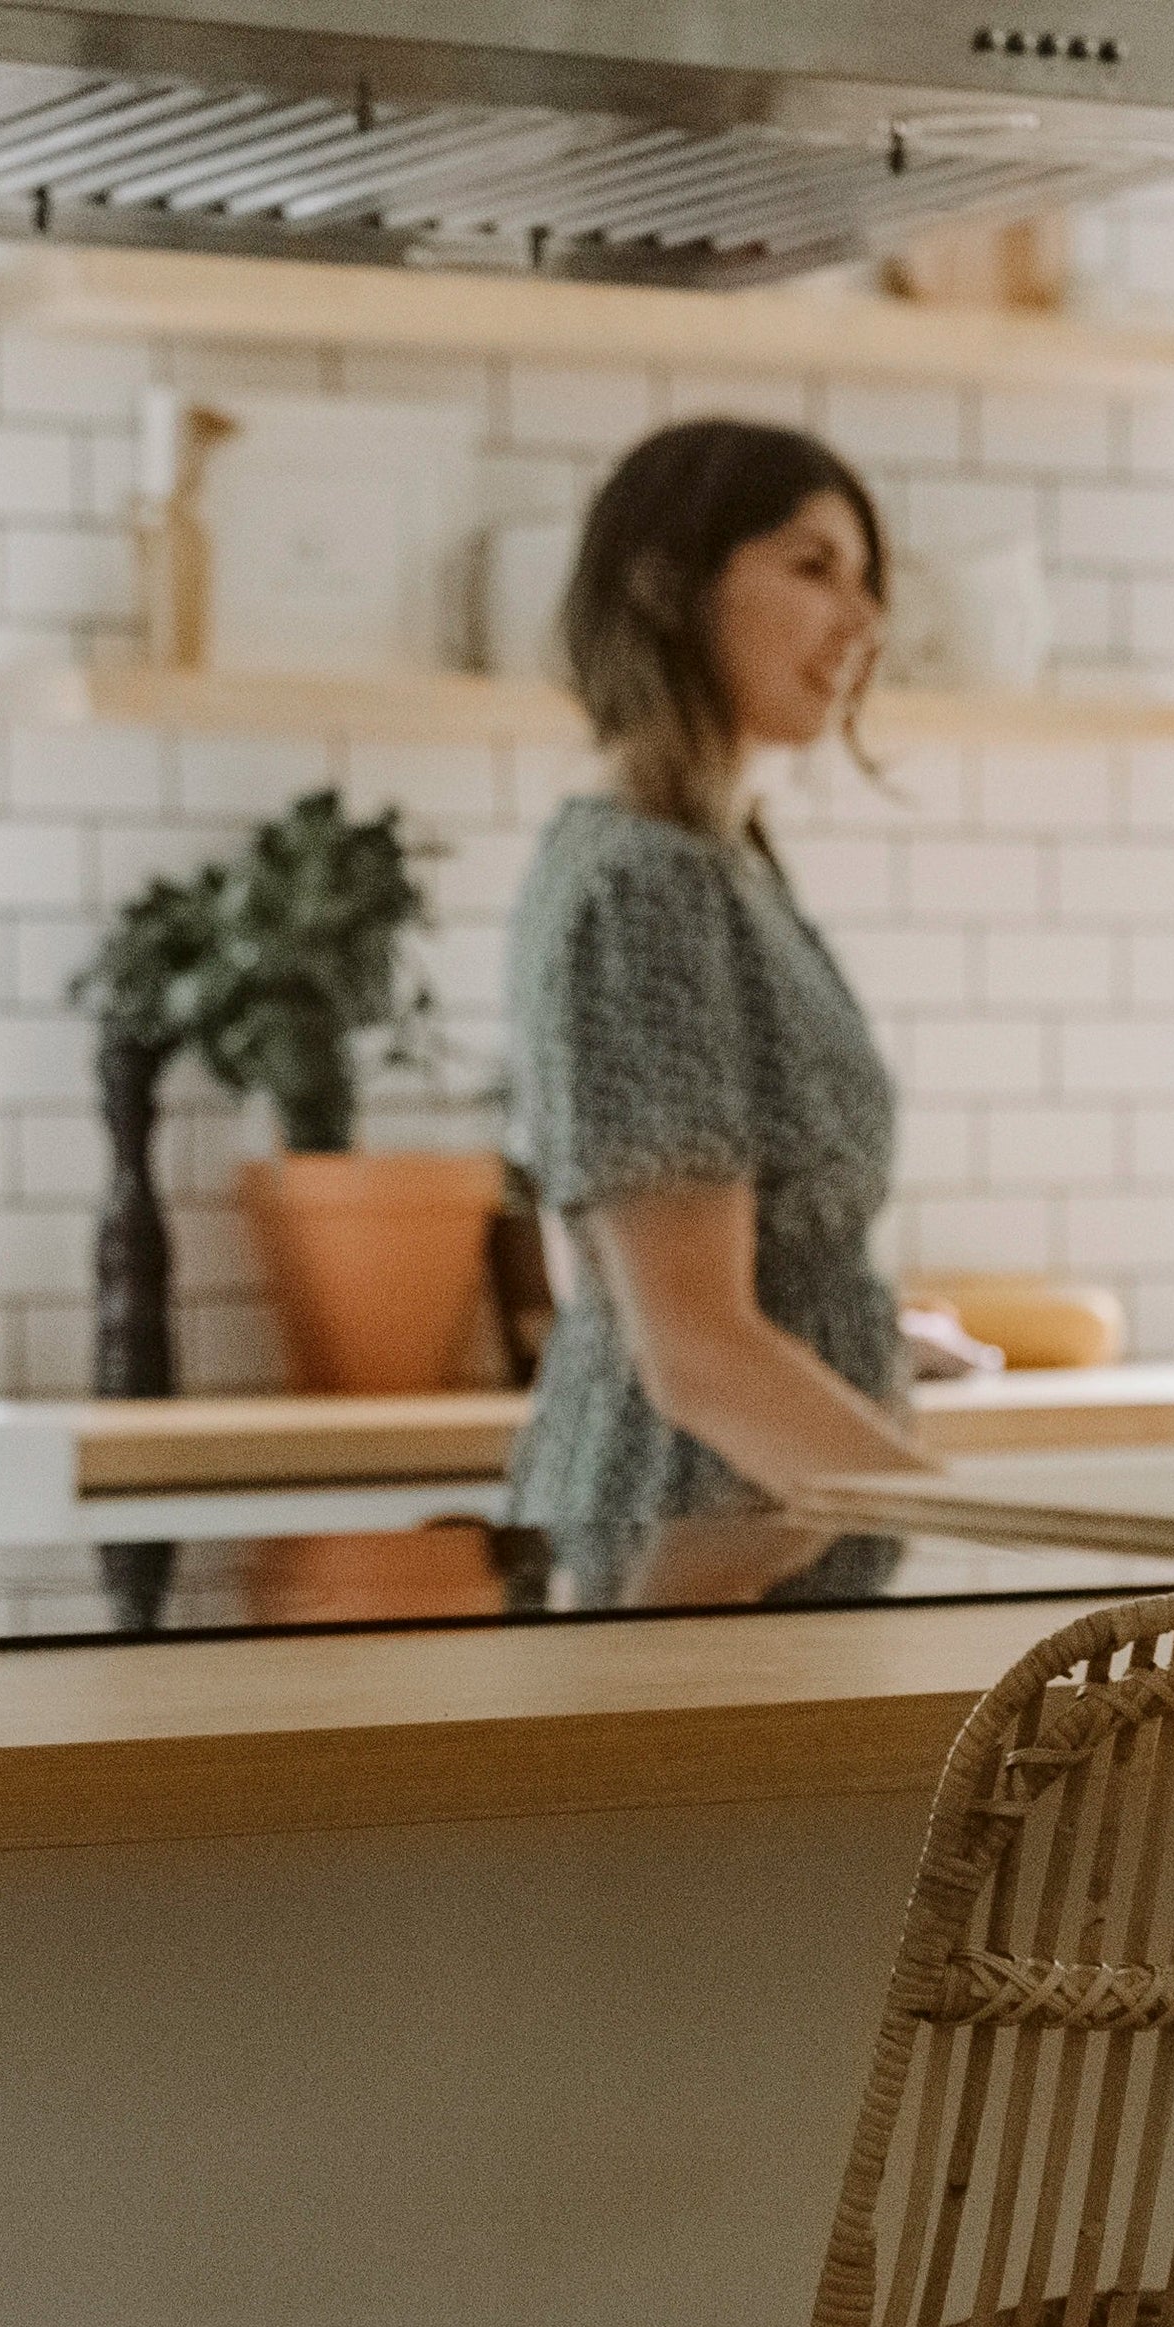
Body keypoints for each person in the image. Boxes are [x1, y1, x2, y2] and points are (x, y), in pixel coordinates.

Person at [500, 419, 950, 1541]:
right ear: (666, 588)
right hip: (687, 1547)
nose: (863, 621)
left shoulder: (718, 862)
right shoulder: (645, 885)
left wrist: (862, 1327)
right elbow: (695, 1350)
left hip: (756, 1537)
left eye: (866, 581)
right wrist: (978, 1539)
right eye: (813, 568)